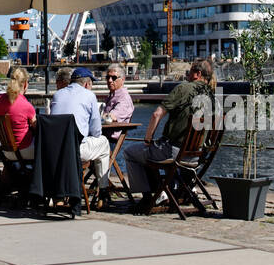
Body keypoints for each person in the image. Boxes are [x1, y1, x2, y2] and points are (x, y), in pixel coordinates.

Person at [125, 60, 215, 213]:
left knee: (131, 152)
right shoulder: (211, 96)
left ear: (198, 74)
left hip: (175, 153)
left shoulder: (183, 89)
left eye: (190, 71)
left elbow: (156, 114)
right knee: (150, 152)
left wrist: (147, 139)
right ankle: (164, 191)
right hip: (196, 156)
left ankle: (149, 196)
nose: (187, 74)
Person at [49, 66, 111, 193]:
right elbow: (96, 131)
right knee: (104, 142)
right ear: (87, 84)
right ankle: (103, 190)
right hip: (75, 150)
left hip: (55, 150)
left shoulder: (57, 95)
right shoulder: (89, 96)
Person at [0, 65, 36, 159]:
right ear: (25, 84)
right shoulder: (27, 105)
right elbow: (36, 127)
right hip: (25, 150)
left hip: (6, 152)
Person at [101, 64, 135, 139]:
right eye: (107, 77)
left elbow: (110, 117)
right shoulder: (112, 96)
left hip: (110, 141)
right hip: (102, 137)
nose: (110, 80)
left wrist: (94, 118)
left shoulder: (124, 99)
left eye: (113, 78)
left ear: (122, 79)